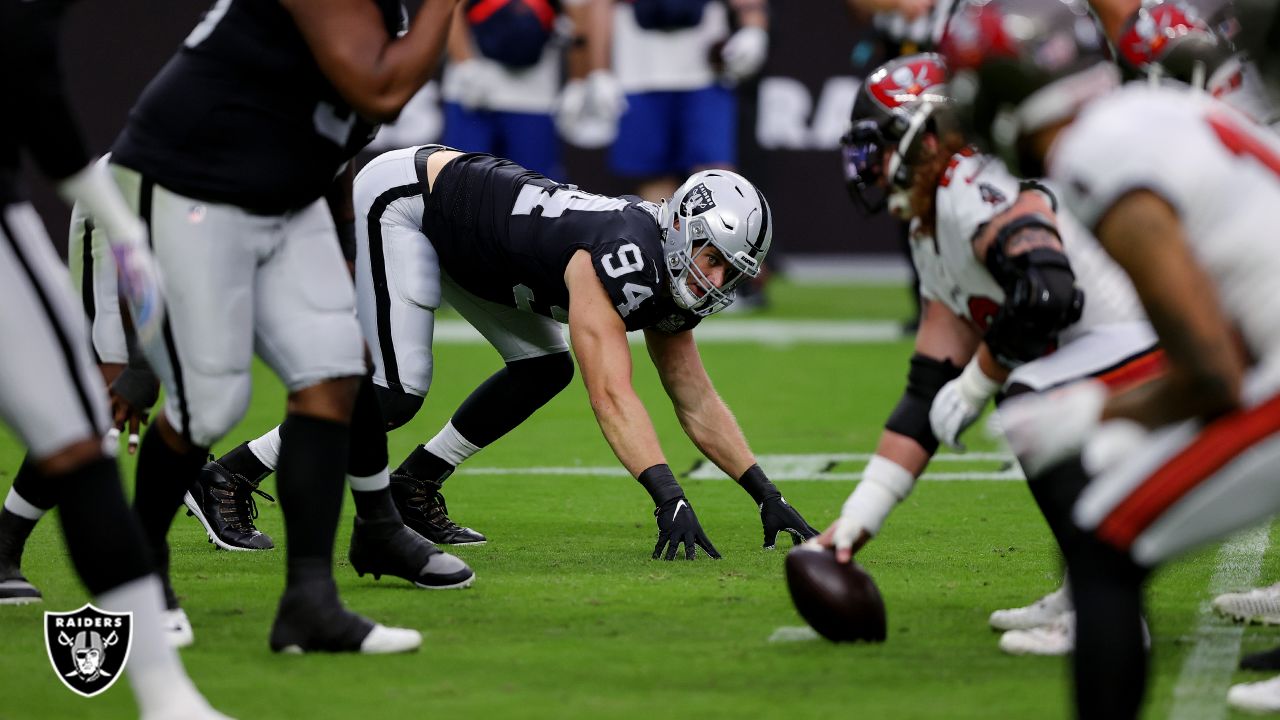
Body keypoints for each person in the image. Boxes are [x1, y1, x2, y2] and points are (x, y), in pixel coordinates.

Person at [207, 144, 819, 559]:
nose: (714, 278)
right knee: (396, 391)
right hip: (413, 202)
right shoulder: (626, 255)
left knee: (543, 367)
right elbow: (610, 393)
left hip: (479, 244)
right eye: (711, 257)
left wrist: (766, 492)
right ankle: (227, 476)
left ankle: (414, 485)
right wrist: (669, 496)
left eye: (728, 271)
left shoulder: (663, 266)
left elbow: (693, 396)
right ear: (687, 225)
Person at [95, 0, 478, 654]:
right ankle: (137, 574)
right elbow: (378, 90)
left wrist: (336, 257)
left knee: (336, 370)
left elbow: (334, 137)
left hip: (282, 192)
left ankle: (310, 603)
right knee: (212, 399)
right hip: (191, 177)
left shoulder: (389, 12)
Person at [941, 0, 1280, 715]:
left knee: (1104, 538)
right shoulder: (1149, 115)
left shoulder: (1096, 155)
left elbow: (1212, 374)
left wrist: (1098, 408)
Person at [812, 52, 1159, 656]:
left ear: (926, 139)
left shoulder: (972, 186)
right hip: (1105, 352)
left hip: (1151, 345)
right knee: (1025, 389)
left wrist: (978, 382)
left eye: (883, 143)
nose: (871, 165)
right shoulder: (929, 225)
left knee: (1026, 395)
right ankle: (1087, 585)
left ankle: (1110, 611)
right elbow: (928, 386)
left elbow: (1049, 291)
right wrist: (854, 522)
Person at [0, 0, 228, 716]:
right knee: (83, 423)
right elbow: (30, 76)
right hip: (132, 199)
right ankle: (161, 688)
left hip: (171, 209)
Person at [439, 0, 622, 179]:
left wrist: (578, 82)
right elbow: (448, 8)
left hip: (534, 99)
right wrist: (466, 66)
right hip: (471, 96)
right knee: (463, 187)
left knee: (533, 194)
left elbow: (577, 23)